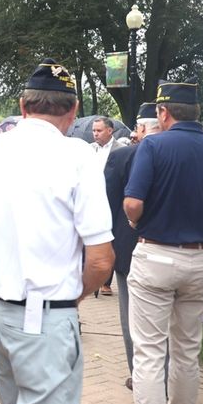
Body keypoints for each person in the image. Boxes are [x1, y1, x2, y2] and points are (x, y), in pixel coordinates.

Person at [0, 58, 115, 404]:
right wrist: (75, 295)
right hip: (46, 311)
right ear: (73, 110)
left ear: (23, 106)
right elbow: (102, 260)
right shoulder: (78, 156)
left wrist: (2, 267)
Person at [124, 77, 203, 404]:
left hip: (155, 254)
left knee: (150, 353)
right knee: (187, 350)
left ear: (163, 112)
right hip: (200, 258)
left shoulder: (153, 147)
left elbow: (132, 203)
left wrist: (137, 223)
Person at [103, 101, 160, 391]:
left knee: (131, 318)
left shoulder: (123, 156)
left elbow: (109, 204)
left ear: (140, 128)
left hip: (129, 245)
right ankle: (164, 374)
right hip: (180, 249)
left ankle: (138, 373)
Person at [91, 116, 123, 295]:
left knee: (110, 240)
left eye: (99, 130)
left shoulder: (122, 150)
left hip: (113, 201)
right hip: (92, 200)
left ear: (110, 131)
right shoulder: (89, 150)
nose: (95, 134)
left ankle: (106, 281)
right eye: (94, 130)